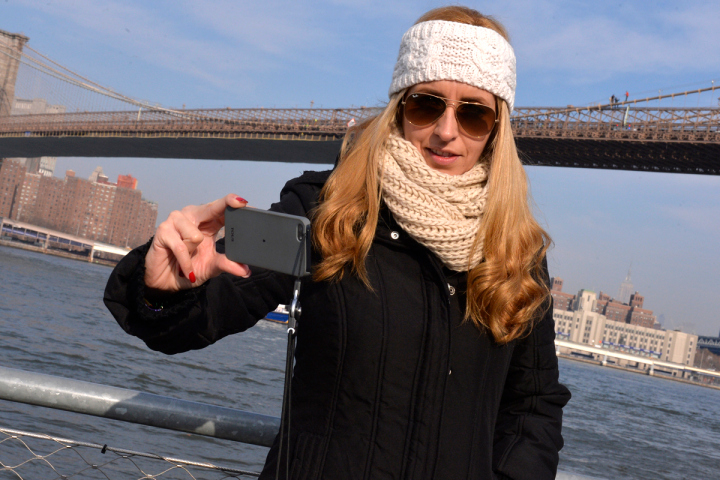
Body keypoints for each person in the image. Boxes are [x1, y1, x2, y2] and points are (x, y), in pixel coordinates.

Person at [104, 6, 571, 480]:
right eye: (427, 104)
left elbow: (533, 407)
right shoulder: (324, 212)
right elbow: (197, 319)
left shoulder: (517, 253)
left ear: (496, 130)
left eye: (474, 113)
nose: (446, 131)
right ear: (400, 107)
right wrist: (164, 288)